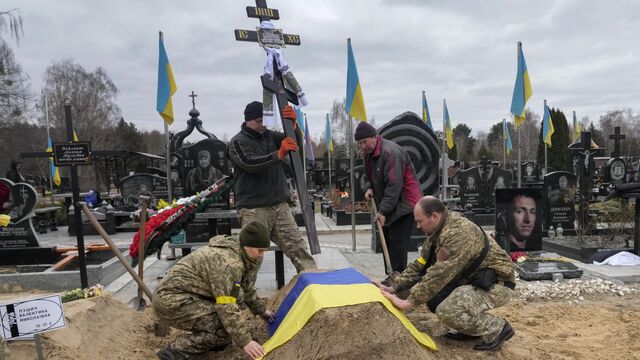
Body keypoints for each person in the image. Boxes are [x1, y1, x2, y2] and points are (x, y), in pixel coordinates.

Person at [377, 196, 516, 352]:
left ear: (434, 216)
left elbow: (440, 273)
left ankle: (498, 328)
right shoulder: (438, 231)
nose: (417, 226)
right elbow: (421, 265)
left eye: (420, 221)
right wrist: (394, 287)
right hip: (472, 280)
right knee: (434, 300)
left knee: (447, 310)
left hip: (497, 284)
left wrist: (408, 302)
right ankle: (469, 330)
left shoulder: (459, 232)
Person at [154, 222, 275, 360]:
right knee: (222, 330)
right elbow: (226, 306)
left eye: (264, 250)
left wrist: (261, 310)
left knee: (227, 326)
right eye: (259, 250)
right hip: (171, 301)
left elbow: (245, 286)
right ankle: (174, 351)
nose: (261, 256)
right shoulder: (228, 263)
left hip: (188, 296)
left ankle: (212, 340)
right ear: (247, 245)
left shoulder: (240, 251)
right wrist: (245, 342)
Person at [227, 101, 316, 273]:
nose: (262, 125)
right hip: (254, 209)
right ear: (247, 120)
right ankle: (243, 295)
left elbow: (293, 144)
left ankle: (313, 285)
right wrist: (279, 153)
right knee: (251, 258)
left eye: (265, 121)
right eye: (258, 121)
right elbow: (250, 163)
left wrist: (294, 125)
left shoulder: (269, 136)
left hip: (279, 206)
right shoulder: (237, 143)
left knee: (299, 249)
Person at [355, 121, 422, 277]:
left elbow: (394, 186)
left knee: (397, 247)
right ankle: (390, 277)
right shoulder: (369, 155)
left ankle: (399, 282)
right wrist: (368, 188)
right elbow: (367, 176)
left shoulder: (390, 153)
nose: (362, 146)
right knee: (387, 243)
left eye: (364, 142)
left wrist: (383, 211)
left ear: (374, 137)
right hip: (388, 205)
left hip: (404, 205)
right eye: (359, 143)